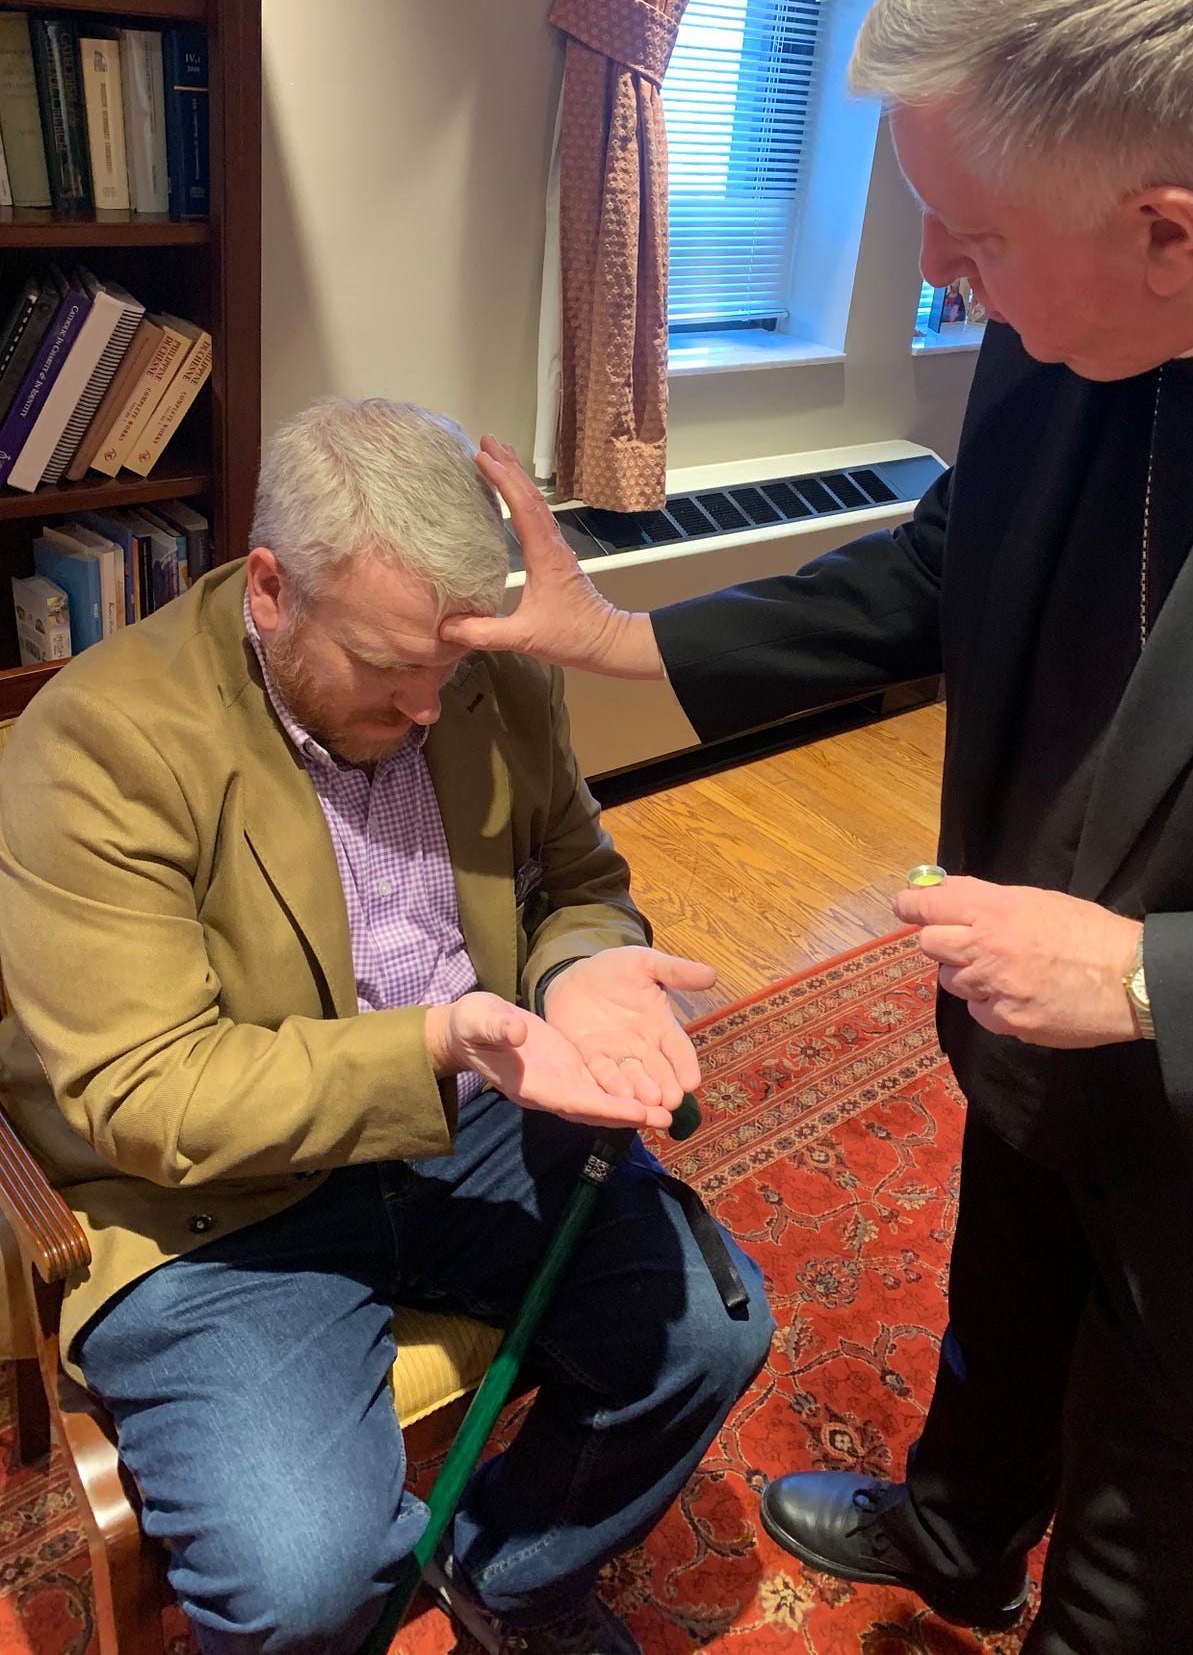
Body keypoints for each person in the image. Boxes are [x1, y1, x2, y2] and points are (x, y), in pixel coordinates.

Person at [442, 0, 1193, 1655]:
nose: (940, 280)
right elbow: (954, 561)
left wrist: (1155, 981)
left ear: (1170, 231)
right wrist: (628, 640)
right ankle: (959, 1527)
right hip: (1031, 1024)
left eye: (971, 248)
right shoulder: (1074, 222)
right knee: (1004, 1322)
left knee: (1156, 1553)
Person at [0, 397, 773, 1655]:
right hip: (218, 1205)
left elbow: (581, 884)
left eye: (451, 665)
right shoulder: (97, 742)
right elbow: (150, 1096)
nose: (428, 704)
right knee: (302, 1581)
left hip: (465, 1120)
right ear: (268, 589)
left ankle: (506, 1578)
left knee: (708, 1334)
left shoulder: (490, 682)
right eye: (387, 667)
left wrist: (580, 972)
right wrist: (440, 1042)